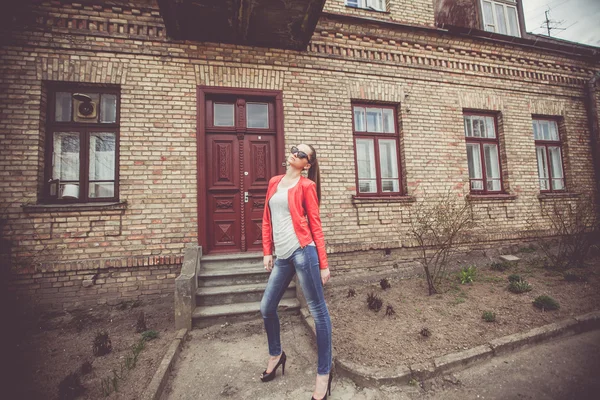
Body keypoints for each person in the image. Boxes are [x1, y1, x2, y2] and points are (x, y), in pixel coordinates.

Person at [259, 144, 333, 400]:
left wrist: (323, 263)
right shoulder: (274, 182)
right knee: (267, 307)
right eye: (294, 149)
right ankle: (276, 355)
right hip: (282, 257)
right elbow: (267, 218)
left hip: (304, 253)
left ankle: (324, 374)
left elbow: (316, 225)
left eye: (302, 154)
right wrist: (267, 250)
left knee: (318, 312)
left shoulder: (306, 187)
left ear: (307, 165)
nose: (295, 154)